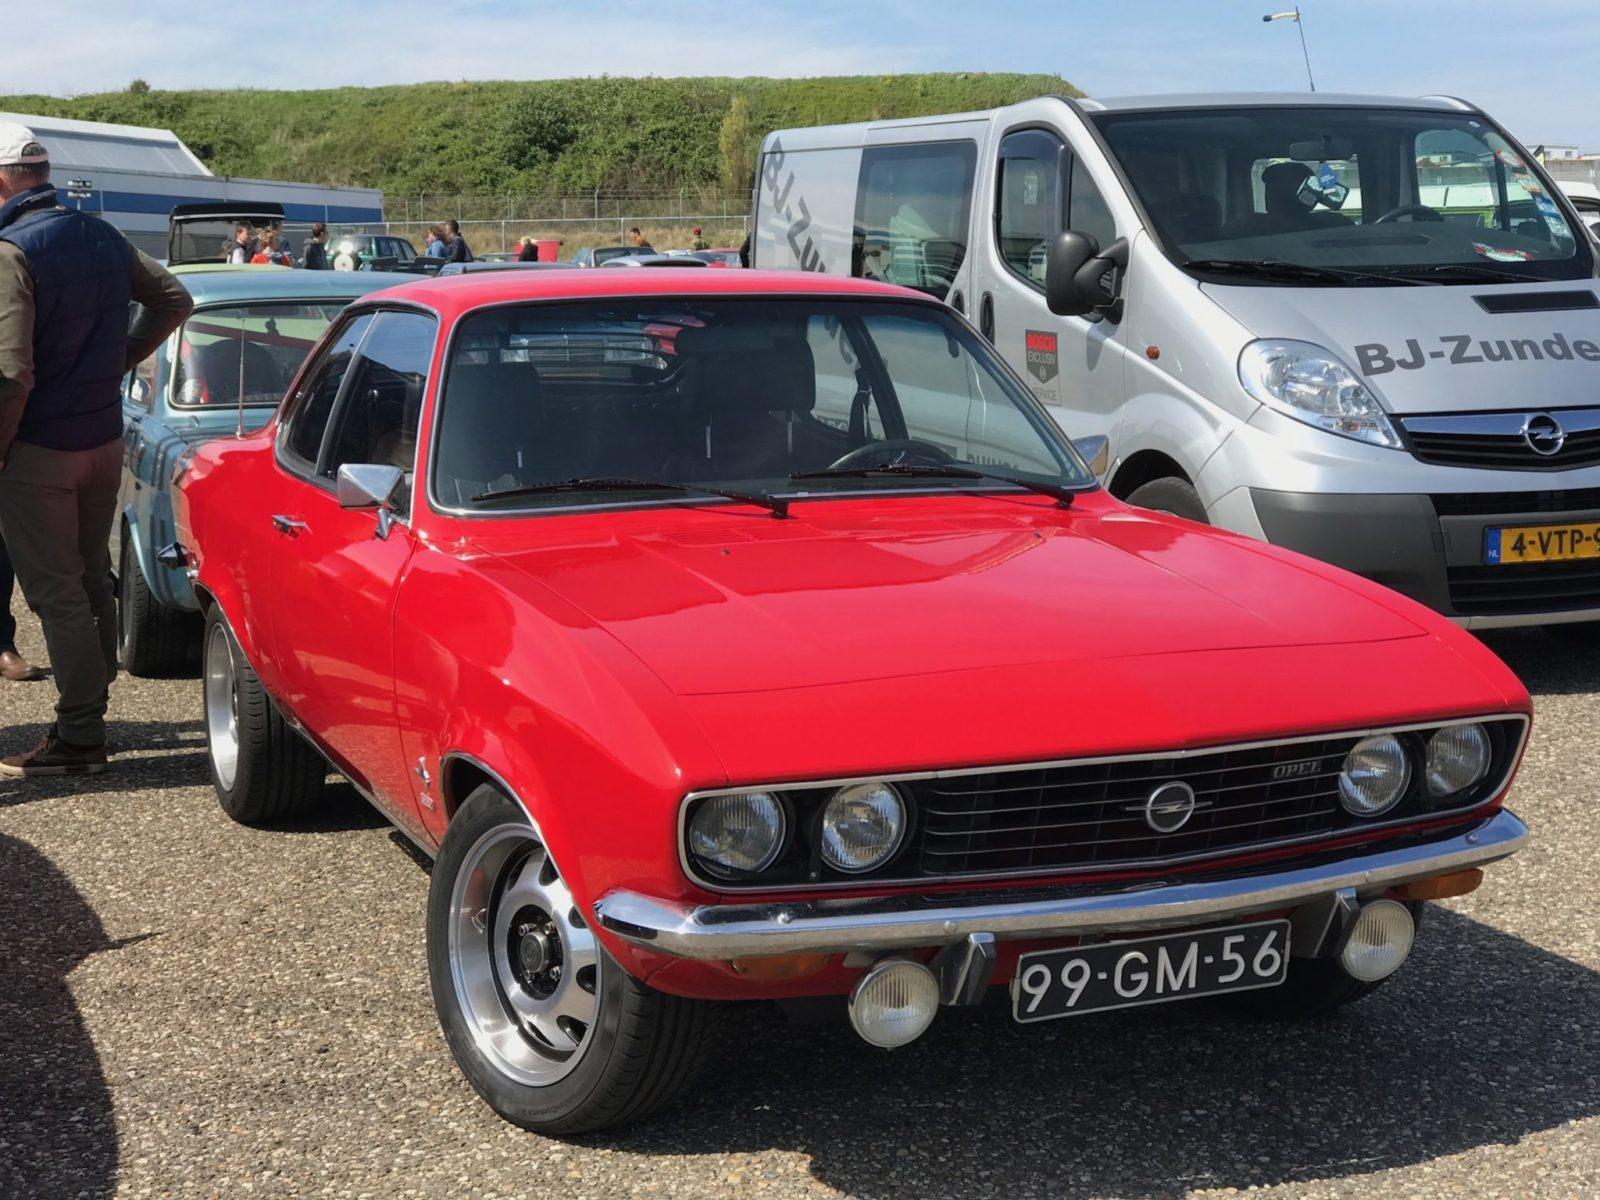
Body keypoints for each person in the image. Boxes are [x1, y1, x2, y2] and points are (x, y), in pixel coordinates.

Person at [0, 122, 193, 776]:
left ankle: (81, 734)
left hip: (38, 448)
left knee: (56, 593)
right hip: (102, 439)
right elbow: (174, 299)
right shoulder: (101, 233)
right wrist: (116, 360)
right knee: (88, 577)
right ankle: (91, 715)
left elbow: (11, 373)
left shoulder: (11, 250)